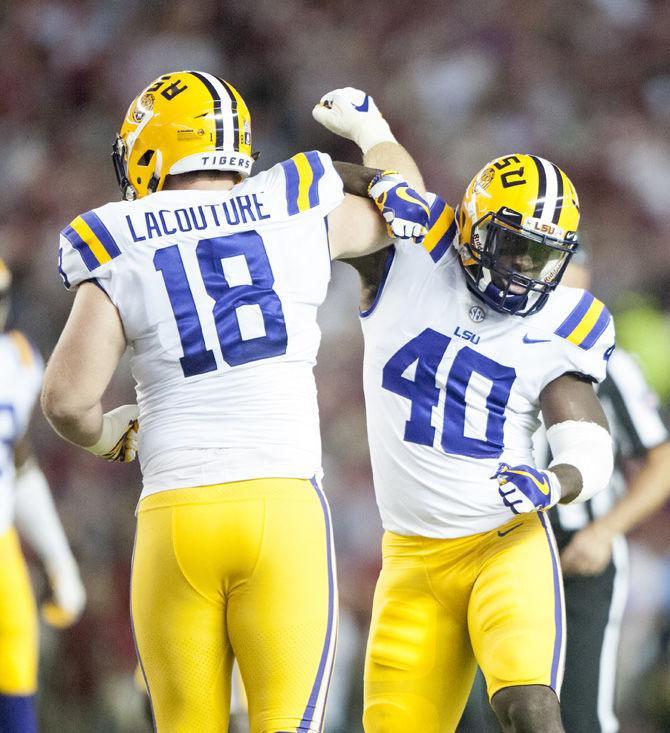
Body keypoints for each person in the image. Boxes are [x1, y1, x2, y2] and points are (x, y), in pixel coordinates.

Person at [41, 70, 430, 733]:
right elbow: (412, 209)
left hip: (177, 511)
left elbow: (66, 399)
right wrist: (372, 133)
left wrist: (106, 435)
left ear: (151, 149)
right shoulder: (294, 202)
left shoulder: (119, 233)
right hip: (283, 509)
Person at [314, 88, 616, 733]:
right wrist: (375, 178)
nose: (529, 271)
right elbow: (301, 180)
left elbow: (586, 437)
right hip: (411, 558)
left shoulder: (562, 322)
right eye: (515, 248)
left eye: (545, 256)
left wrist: (554, 482)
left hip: (501, 543)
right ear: (475, 228)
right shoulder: (412, 255)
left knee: (527, 704)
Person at [545, 253, 670, 733]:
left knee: (576, 715)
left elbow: (660, 460)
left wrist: (604, 531)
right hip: (493, 549)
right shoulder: (496, 339)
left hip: (578, 553)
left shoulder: (608, 360)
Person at [0, 258, 86, 733]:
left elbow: (17, 460)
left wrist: (58, 559)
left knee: (16, 675)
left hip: (2, 544)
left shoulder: (17, 359)